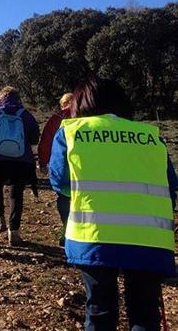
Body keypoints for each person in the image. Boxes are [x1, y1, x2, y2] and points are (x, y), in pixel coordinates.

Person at [49, 77, 177, 331]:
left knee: (99, 310)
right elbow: (170, 185)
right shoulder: (151, 136)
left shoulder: (71, 132)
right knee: (144, 313)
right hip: (149, 236)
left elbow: (59, 182)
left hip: (93, 235)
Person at [0, 86, 39, 246]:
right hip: (21, 159)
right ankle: (14, 230)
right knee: (16, 193)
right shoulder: (25, 114)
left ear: (1, 97)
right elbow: (34, 138)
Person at [38, 92, 73, 244]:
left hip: (62, 164)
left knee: (64, 197)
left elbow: (46, 141)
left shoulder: (57, 118)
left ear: (63, 104)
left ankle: (66, 230)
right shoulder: (87, 116)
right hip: (85, 163)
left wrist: (43, 162)